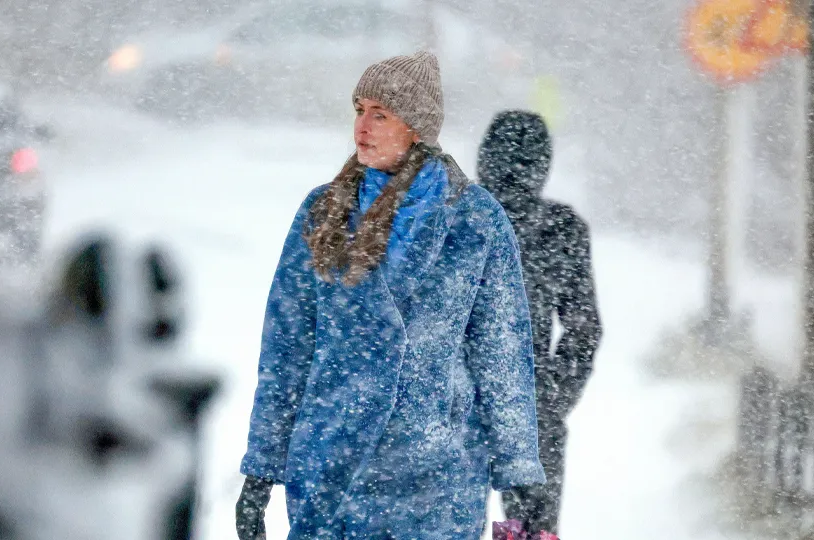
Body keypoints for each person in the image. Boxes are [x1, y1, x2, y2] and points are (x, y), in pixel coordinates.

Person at [235, 51, 547, 539]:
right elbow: (286, 347)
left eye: (380, 114)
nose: (362, 126)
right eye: (359, 110)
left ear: (416, 128)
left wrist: (519, 470)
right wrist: (262, 467)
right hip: (332, 467)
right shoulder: (323, 211)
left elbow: (501, 351)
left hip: (435, 477)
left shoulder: (475, 219)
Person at [477, 110, 602, 534]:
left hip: (459, 407)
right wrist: (550, 396)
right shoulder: (560, 230)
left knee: (443, 523)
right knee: (530, 530)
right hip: (525, 413)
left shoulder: (455, 221)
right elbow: (583, 328)